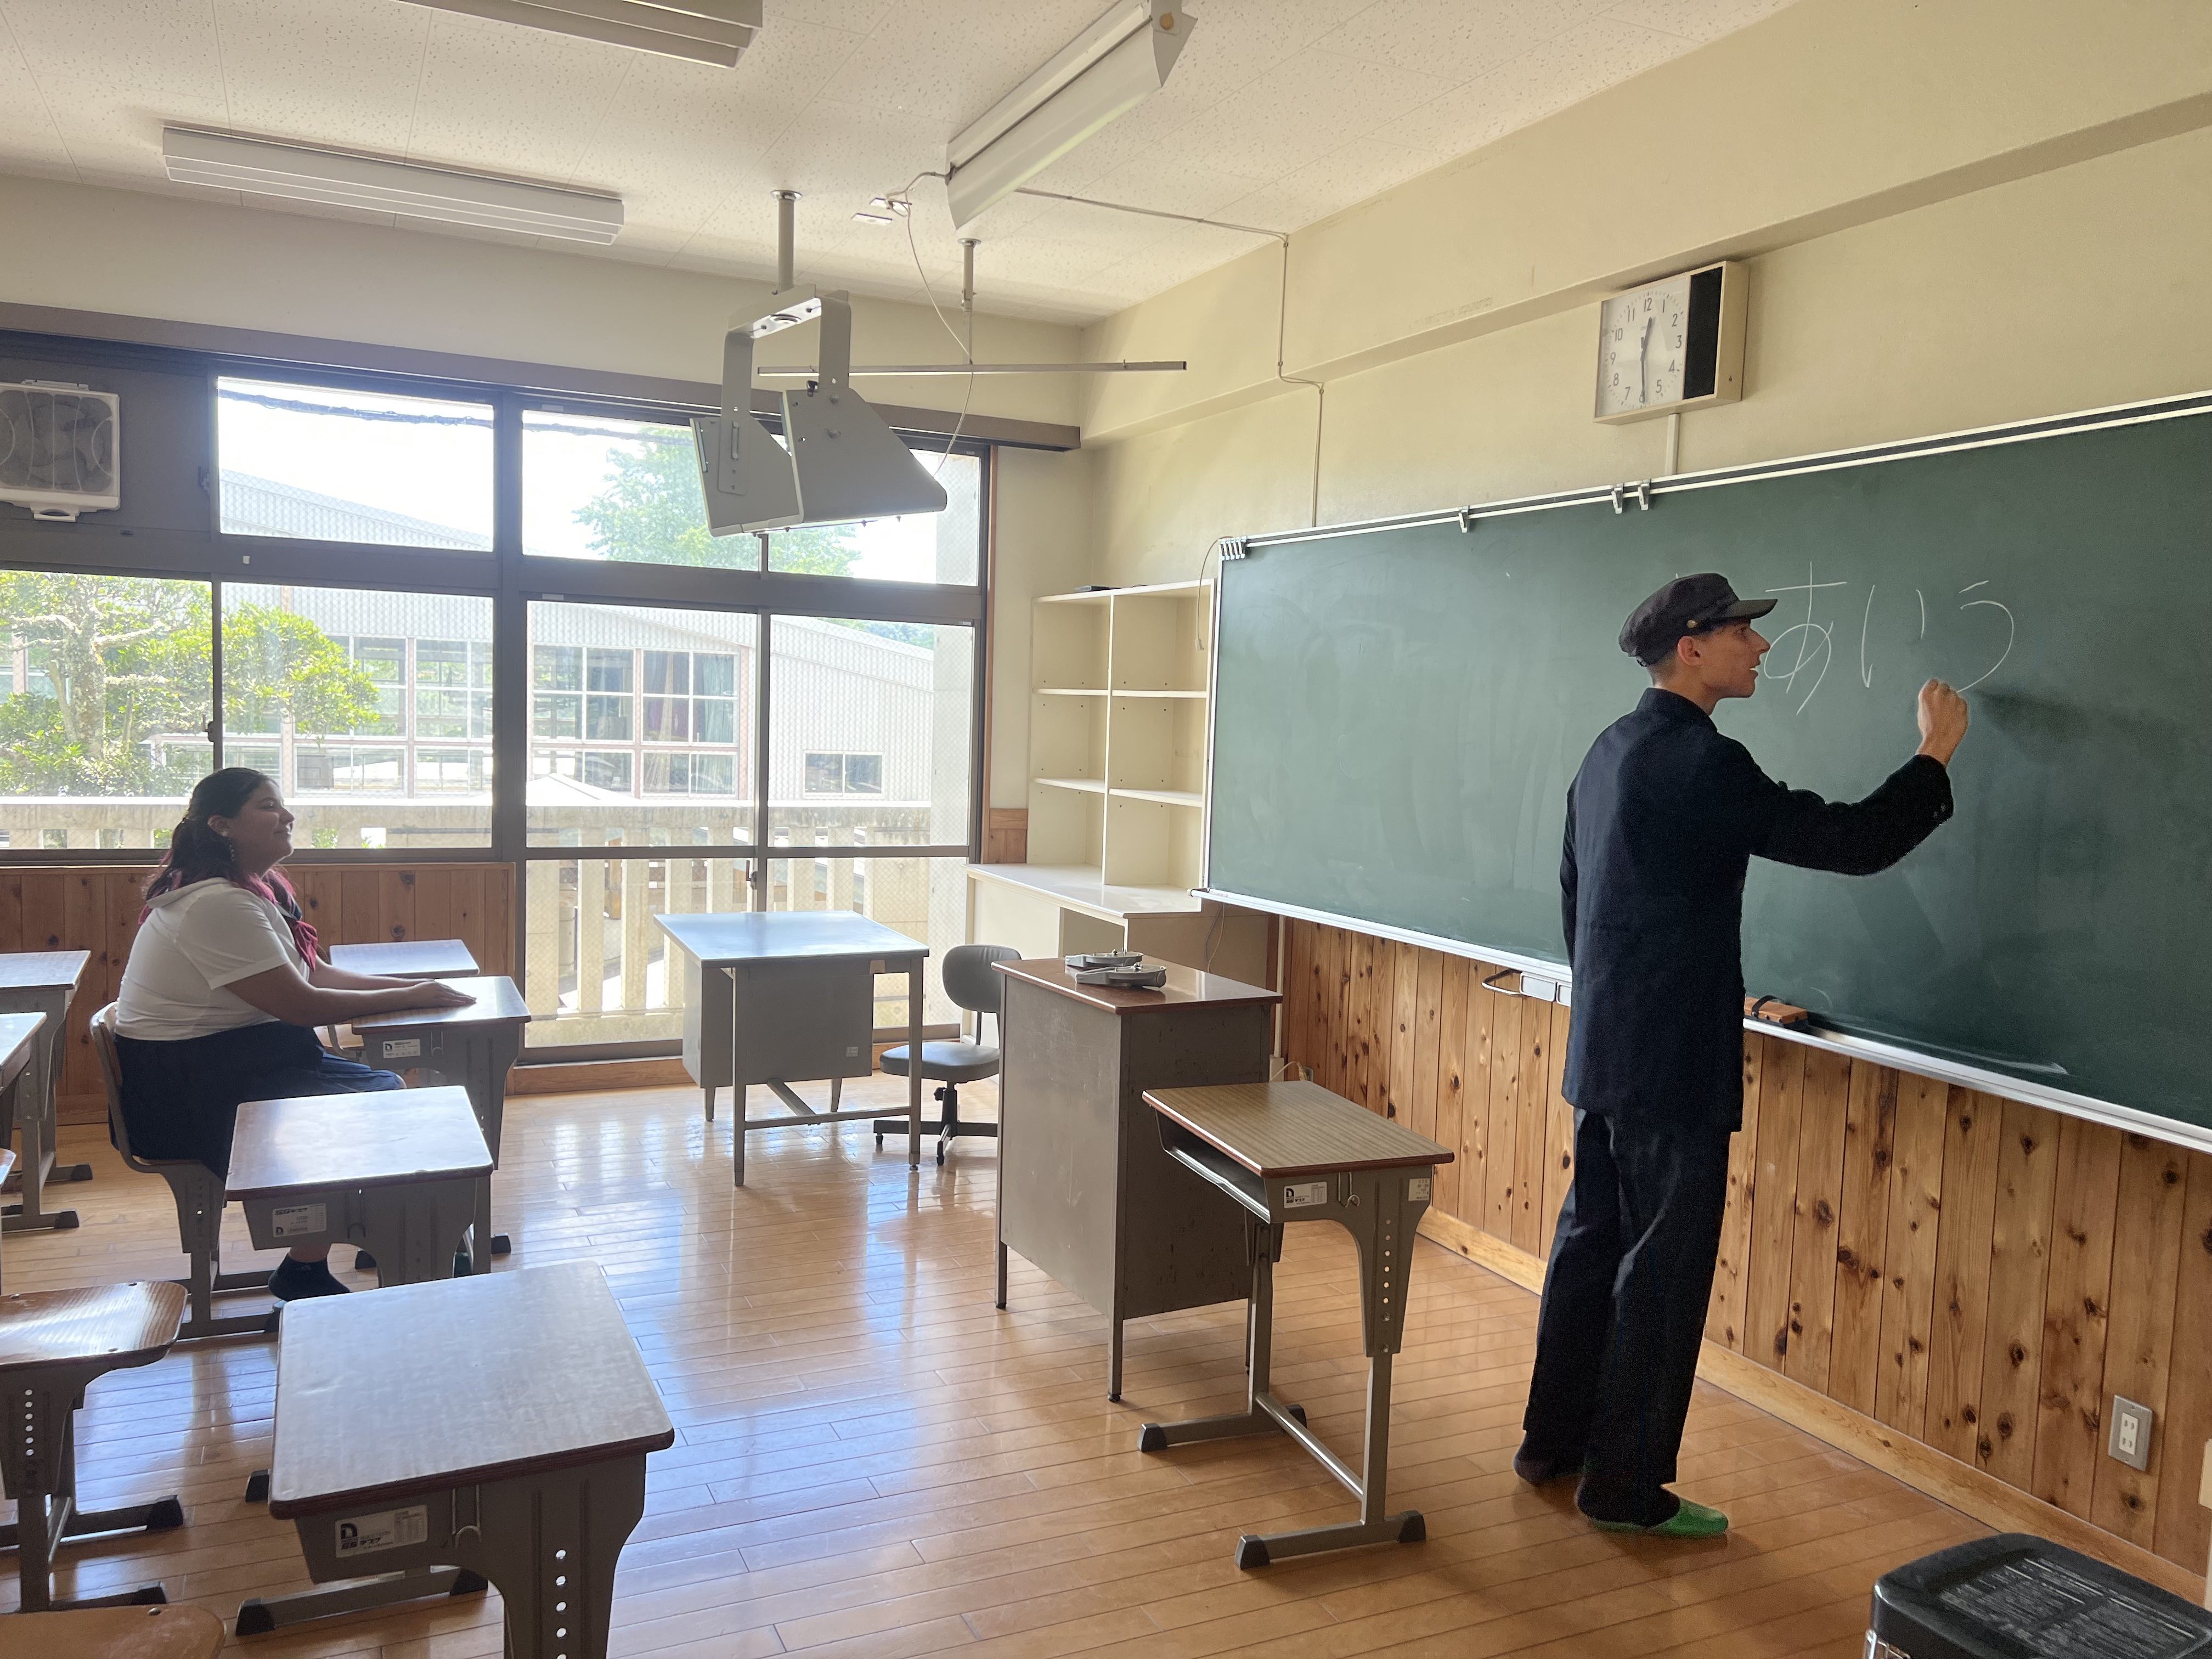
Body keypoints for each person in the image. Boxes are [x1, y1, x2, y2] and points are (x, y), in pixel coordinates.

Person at [1515, 573, 1969, 1538]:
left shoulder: (1608, 751)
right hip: (1671, 1060)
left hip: (1605, 1045)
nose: (1759, 648)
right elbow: (1846, 840)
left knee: (1590, 1242)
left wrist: (1632, 996)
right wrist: (1933, 755)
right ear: (1691, 646)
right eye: (1741, 634)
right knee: (1663, 1270)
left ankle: (1551, 1444)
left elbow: (1575, 899)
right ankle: (1625, 1488)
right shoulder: (1700, 761)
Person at [114, 768, 473, 1301]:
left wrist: (414, 987)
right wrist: (413, 996)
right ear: (222, 825)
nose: (287, 817)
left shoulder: (253, 890)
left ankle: (375, 1232)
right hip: (193, 1085)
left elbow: (315, 974)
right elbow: (302, 1004)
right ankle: (353, 1244)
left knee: (386, 1091)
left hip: (242, 1058)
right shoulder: (217, 903)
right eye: (268, 806)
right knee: (365, 1111)